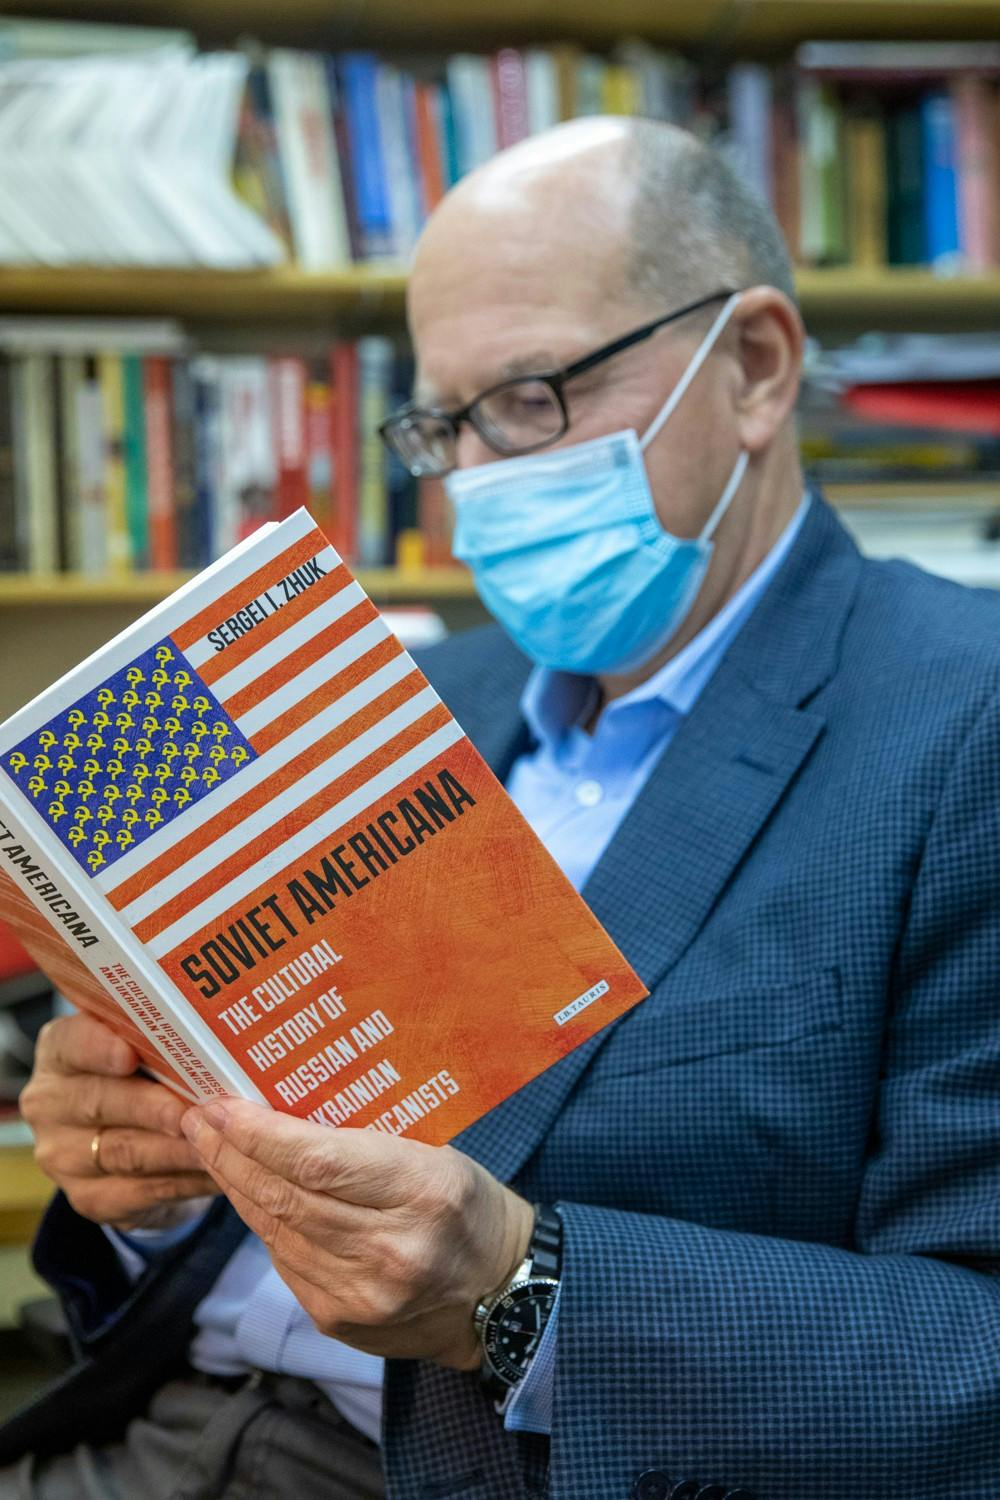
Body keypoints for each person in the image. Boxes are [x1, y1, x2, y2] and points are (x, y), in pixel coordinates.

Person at [4, 114, 1000, 1500]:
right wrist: (153, 1191)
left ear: (758, 368)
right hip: (157, 1432)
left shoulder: (962, 724)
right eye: (444, 422)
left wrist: (514, 1294)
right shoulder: (405, 702)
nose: (482, 474)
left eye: (535, 398)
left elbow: (977, 1360)